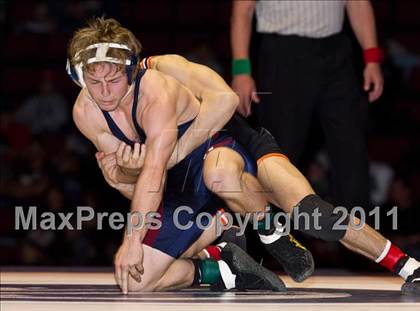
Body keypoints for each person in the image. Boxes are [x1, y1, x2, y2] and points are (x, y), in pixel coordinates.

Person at [110, 54, 420, 296]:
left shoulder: (164, 68)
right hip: (195, 182)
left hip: (236, 147)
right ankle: (222, 259)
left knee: (315, 215)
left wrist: (171, 155)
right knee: (143, 270)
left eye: (114, 76)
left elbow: (225, 99)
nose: (108, 88)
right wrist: (127, 174)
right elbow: (147, 193)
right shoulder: (109, 112)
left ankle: (409, 266)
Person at [67, 17, 295, 294]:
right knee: (135, 282)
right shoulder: (85, 113)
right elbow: (140, 183)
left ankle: (236, 223)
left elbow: (153, 172)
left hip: (209, 158)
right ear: (79, 77)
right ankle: (221, 267)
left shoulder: (154, 92)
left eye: (113, 80)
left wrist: (132, 239)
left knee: (210, 178)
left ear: (130, 72)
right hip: (174, 184)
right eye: (94, 81)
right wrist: (126, 173)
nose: (103, 92)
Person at [231, 0, 384, 212]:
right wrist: (241, 70)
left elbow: (357, 3)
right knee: (280, 150)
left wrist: (372, 58)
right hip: (284, 55)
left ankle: (357, 232)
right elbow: (243, 9)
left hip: (336, 51)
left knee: (351, 147)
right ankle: (272, 233)